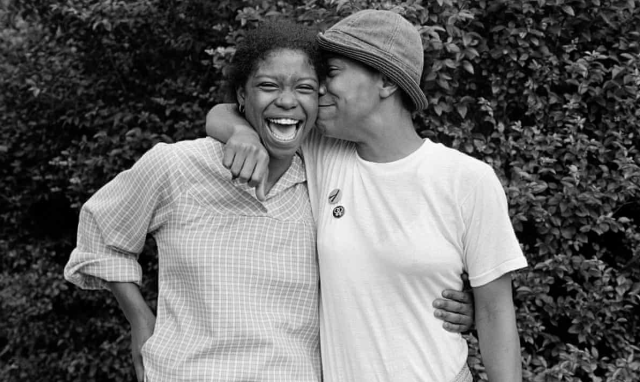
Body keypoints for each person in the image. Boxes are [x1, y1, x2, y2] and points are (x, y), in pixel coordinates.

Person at [64, 19, 472, 382]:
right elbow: (102, 232)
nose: (288, 101)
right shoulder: (178, 166)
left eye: (305, 88)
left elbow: (384, 264)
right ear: (241, 96)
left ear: (318, 101)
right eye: (268, 85)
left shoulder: (324, 178)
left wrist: (451, 302)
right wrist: (140, 319)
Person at [206, 9, 528, 382]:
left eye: (332, 73)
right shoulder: (323, 153)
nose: (318, 88)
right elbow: (225, 112)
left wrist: (471, 311)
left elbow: (494, 314)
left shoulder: (467, 180)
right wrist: (242, 135)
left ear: (387, 82)